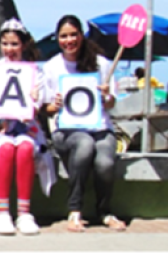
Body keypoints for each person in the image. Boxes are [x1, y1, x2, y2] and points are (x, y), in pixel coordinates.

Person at [0, 19, 56, 236]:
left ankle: (24, 212)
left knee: (26, 148)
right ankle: (2, 212)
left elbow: (43, 109)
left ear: (24, 45)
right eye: (5, 44)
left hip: (25, 129)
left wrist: (36, 101)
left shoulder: (35, 72)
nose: (9, 50)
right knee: (6, 149)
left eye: (14, 44)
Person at [43, 14, 125, 232]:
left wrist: (107, 95)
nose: (69, 40)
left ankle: (105, 211)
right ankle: (75, 210)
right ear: (57, 39)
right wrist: (55, 104)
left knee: (105, 163)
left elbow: (110, 104)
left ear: (81, 36)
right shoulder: (52, 66)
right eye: (63, 36)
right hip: (65, 131)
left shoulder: (102, 64)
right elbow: (45, 108)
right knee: (84, 145)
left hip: (100, 128)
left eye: (73, 35)